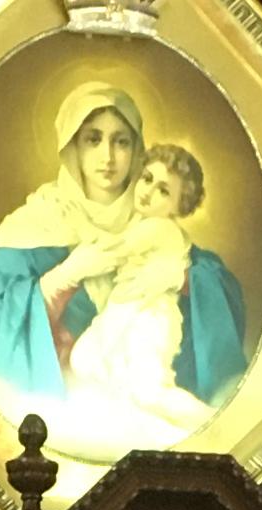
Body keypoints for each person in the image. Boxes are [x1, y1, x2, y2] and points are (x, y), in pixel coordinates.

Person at [0, 83, 248, 414]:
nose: (108, 157)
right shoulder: (36, 222)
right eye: (93, 139)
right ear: (72, 145)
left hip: (140, 400)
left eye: (121, 142)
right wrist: (62, 277)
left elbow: (223, 295)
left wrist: (181, 277)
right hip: (64, 408)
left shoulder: (153, 218)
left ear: (136, 149)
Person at [66, 145, 214, 433]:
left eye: (163, 191)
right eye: (147, 179)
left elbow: (115, 249)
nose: (147, 192)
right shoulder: (145, 223)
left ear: (179, 205)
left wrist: (77, 223)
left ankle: (214, 424)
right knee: (86, 361)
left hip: (149, 316)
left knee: (149, 390)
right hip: (123, 310)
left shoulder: (160, 228)